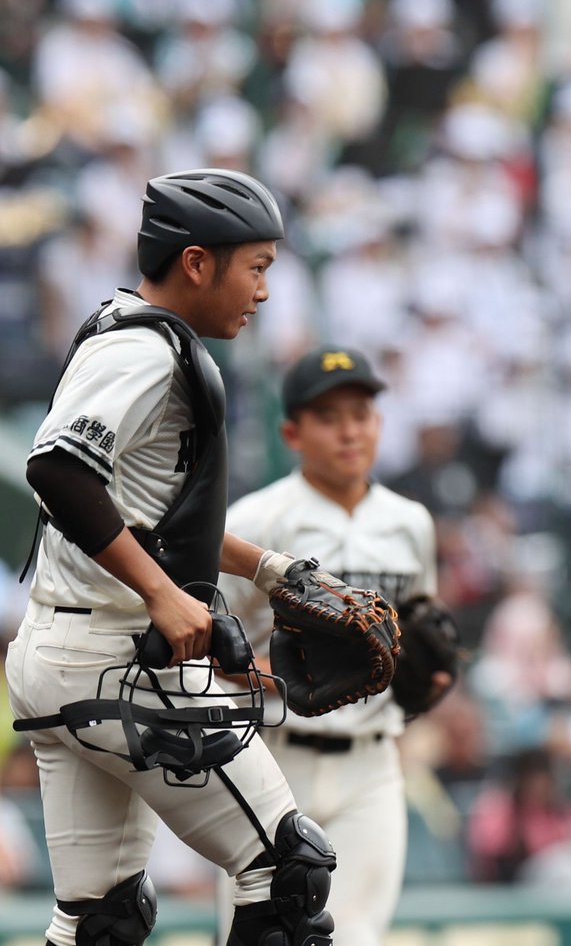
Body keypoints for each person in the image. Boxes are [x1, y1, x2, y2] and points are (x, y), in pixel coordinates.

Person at [5, 168, 339, 946]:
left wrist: (267, 567)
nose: (263, 291)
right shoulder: (148, 352)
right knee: (288, 869)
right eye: (255, 267)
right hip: (118, 656)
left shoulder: (123, 328)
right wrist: (161, 593)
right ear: (197, 262)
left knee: (101, 920)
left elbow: (141, 512)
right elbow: (55, 469)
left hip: (66, 653)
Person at [214, 345, 440, 946]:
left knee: (356, 937)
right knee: (264, 936)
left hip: (372, 762)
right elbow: (207, 643)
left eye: (361, 413)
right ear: (292, 430)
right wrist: (278, 676)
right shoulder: (256, 521)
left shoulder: (411, 522)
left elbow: (422, 630)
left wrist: (429, 673)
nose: (349, 430)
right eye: (328, 416)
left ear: (380, 423)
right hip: (272, 756)